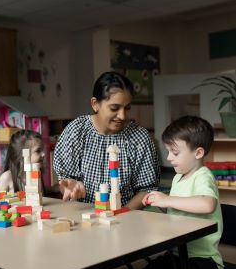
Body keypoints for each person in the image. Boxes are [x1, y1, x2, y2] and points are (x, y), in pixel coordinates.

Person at [53, 71, 160, 210]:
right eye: (114, 108)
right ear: (95, 104)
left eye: (127, 108)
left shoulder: (139, 137)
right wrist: (70, 187)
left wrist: (122, 214)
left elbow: (147, 188)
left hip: (126, 218)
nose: (122, 116)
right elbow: (65, 182)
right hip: (84, 215)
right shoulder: (76, 131)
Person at [138, 115, 224, 269]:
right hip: (176, 252)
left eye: (175, 153)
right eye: (168, 151)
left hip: (202, 259)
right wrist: (161, 203)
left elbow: (207, 205)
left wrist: (167, 199)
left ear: (198, 153)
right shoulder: (178, 177)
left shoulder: (203, 176)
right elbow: (178, 209)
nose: (169, 157)